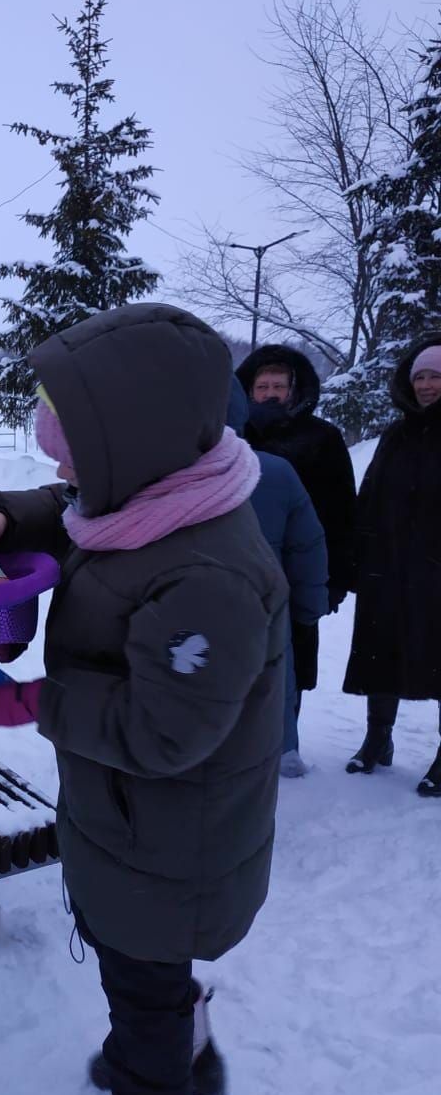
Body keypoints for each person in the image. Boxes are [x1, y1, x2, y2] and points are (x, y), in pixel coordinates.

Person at [0, 304, 288, 1095]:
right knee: (137, 972)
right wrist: (12, 519)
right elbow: (76, 507)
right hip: (132, 830)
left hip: (173, 846)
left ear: (130, 435)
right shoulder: (154, 497)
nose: (57, 455)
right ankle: (189, 1046)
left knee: (143, 993)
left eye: (69, 433)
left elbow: (166, 733)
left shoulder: (206, 572)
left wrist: (36, 705)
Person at [235, 344, 356, 767]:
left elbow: (342, 513)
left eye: (278, 386)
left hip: (301, 567)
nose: (269, 393)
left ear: (294, 389)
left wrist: (334, 579)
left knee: (295, 657)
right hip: (241, 568)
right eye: (261, 385)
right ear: (247, 391)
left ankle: (285, 743)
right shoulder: (233, 436)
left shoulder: (321, 438)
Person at [343, 336, 441, 797]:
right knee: (382, 653)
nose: (425, 385)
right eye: (419, 376)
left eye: (435, 376)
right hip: (391, 567)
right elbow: (370, 496)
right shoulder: (395, 436)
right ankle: (377, 738)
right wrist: (358, 557)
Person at [226, 378, 329, 777]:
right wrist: (308, 610)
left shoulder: (159, 472)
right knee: (272, 677)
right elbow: (308, 548)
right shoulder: (275, 471)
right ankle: (282, 749)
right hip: (266, 602)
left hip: (183, 605)